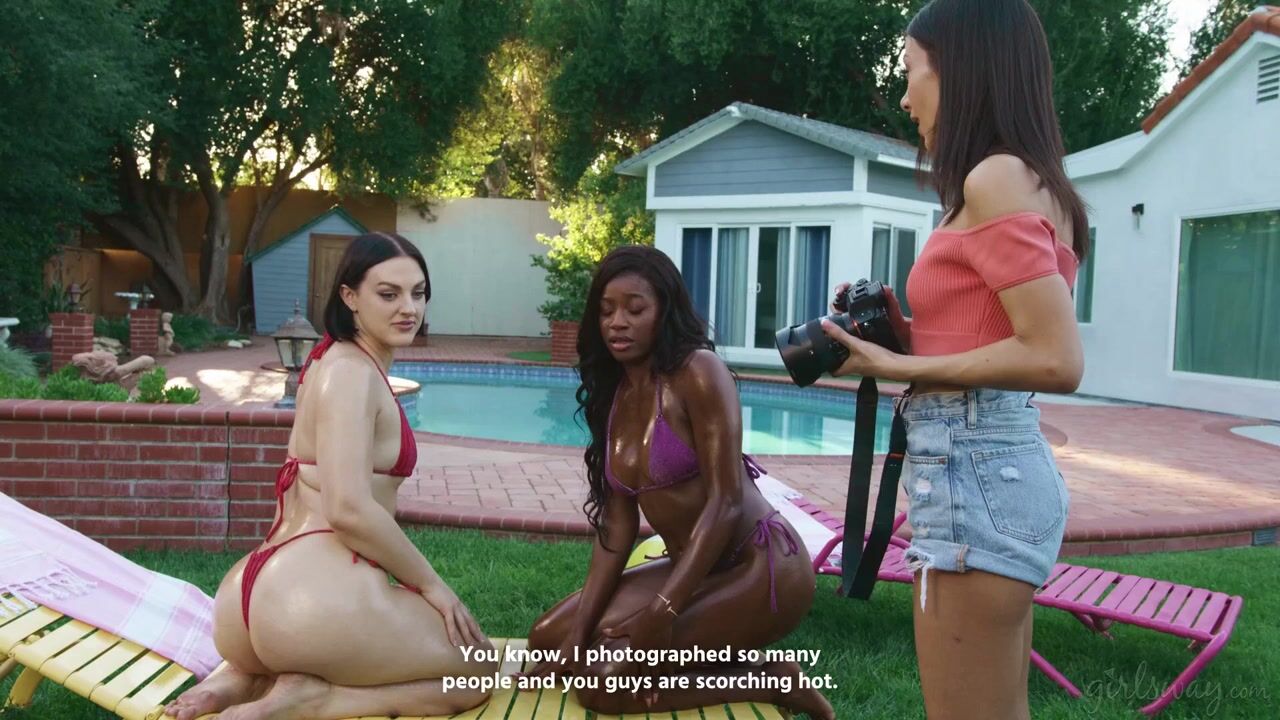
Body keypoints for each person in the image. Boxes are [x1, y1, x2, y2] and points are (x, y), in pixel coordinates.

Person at [820, 2, 1087, 718]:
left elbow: (1055, 357)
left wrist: (896, 368)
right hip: (993, 465)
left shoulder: (995, 178)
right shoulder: (1030, 179)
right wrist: (898, 335)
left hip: (974, 473)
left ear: (962, 71)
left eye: (913, 71)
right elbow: (993, 335)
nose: (906, 97)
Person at [165, 233, 497, 720]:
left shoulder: (324, 361)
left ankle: (245, 676)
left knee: (316, 641)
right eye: (388, 294)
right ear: (349, 296)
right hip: (308, 603)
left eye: (418, 293)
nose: (408, 308)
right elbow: (348, 508)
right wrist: (433, 586)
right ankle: (316, 698)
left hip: (246, 600)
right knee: (478, 670)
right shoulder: (352, 374)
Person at [524, 246, 833, 719]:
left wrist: (661, 612)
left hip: (758, 568)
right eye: (606, 311)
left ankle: (771, 681)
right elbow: (618, 529)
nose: (618, 322)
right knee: (547, 640)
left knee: (603, 683)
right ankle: (707, 649)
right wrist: (578, 633)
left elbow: (726, 502)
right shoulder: (614, 393)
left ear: (664, 311)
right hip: (692, 568)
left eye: (635, 309)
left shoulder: (698, 372)